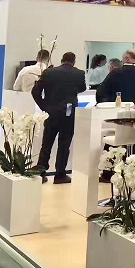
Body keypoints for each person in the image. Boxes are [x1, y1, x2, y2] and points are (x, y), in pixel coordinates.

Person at [31, 52, 86, 183]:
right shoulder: (79, 73)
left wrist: (44, 106)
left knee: (46, 143)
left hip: (51, 112)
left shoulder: (49, 72)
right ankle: (60, 174)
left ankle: (41, 172)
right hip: (68, 112)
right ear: (74, 61)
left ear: (61, 60)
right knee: (64, 144)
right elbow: (82, 88)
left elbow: (35, 91)